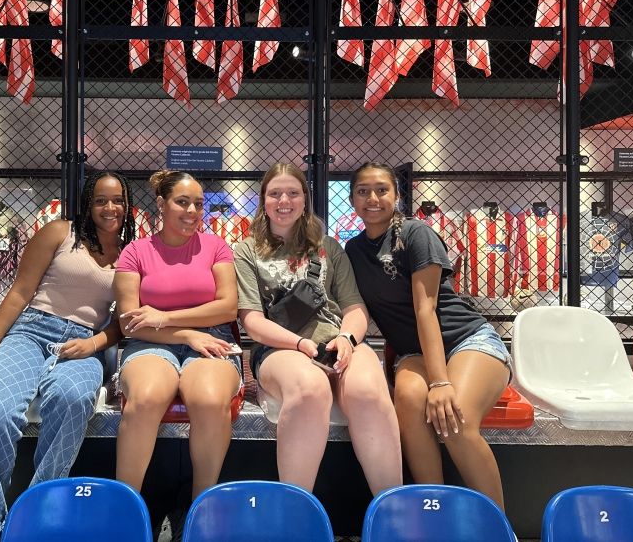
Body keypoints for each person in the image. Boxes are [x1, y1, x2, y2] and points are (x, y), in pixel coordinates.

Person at [0, 171, 136, 542]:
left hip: (85, 344)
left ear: (128, 205)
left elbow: (125, 324)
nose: (110, 208)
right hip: (31, 332)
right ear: (88, 204)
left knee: (71, 399)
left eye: (118, 200)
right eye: (101, 200)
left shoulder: (130, 254)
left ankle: (36, 514)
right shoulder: (60, 232)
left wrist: (92, 345)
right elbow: (19, 293)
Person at [345, 162, 512, 508]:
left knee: (455, 419)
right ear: (352, 198)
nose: (372, 198)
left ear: (397, 195)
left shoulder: (416, 233)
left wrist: (440, 382)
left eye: (381, 190)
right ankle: (435, 511)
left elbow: (426, 310)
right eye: (363, 191)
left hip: (466, 341)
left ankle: (498, 527)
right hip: (413, 353)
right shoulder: (353, 251)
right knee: (407, 401)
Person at [234, 163, 402, 493]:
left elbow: (355, 308)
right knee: (311, 389)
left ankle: (390, 511)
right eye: (275, 193)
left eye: (293, 193)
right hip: (280, 347)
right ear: (264, 201)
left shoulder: (329, 247)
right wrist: (300, 345)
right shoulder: (247, 250)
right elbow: (252, 321)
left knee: (368, 392)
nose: (284, 200)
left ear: (305, 199)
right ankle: (298, 515)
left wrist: (347, 338)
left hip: (337, 341)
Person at [114, 170, 240, 503]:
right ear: (162, 204)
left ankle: (203, 506)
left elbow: (227, 308)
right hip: (150, 342)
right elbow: (129, 324)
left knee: (211, 400)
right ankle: (126, 507)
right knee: (145, 397)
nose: (192, 211)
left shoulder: (217, 247)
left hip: (211, 337)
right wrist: (186, 333)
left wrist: (165, 316)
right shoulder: (135, 252)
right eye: (182, 202)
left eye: (198, 204)